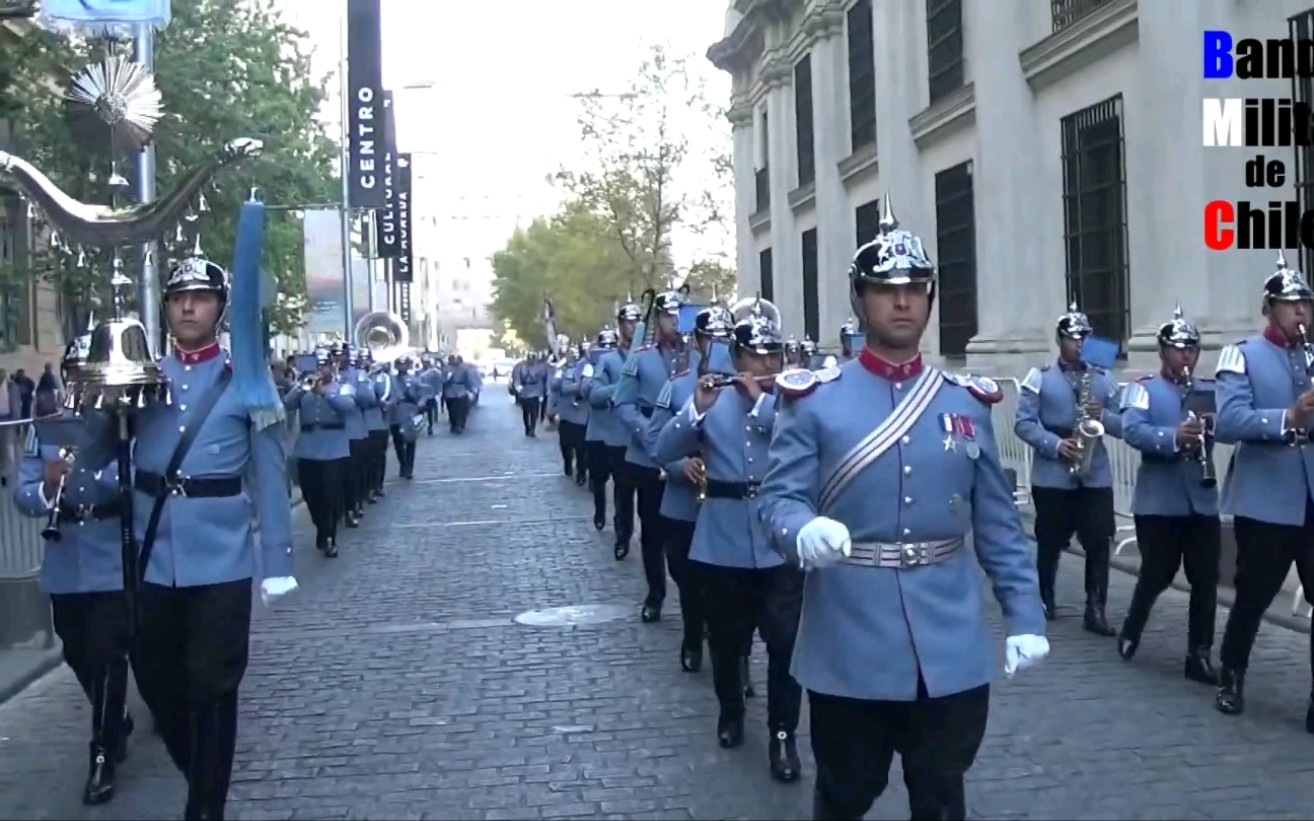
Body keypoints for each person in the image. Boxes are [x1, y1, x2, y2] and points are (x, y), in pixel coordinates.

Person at [755, 197, 1048, 820]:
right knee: (847, 792)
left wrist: (1025, 614)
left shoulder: (963, 400)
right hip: (850, 640)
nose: (903, 301)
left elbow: (996, 524)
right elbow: (778, 500)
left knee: (941, 796)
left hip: (950, 643)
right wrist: (801, 531)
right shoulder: (816, 401)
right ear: (862, 299)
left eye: (915, 288)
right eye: (886, 289)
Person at [78, 254, 299, 819]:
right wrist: (102, 408)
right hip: (152, 556)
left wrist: (276, 561)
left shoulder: (246, 380)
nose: (188, 306)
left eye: (200, 297)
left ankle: (204, 808)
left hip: (221, 559)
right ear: (167, 308)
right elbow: (94, 463)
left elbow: (269, 477)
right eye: (179, 298)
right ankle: (198, 778)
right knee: (157, 685)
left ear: (220, 309)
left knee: (214, 689)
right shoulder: (143, 376)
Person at [655, 298, 801, 782]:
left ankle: (783, 736)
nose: (766, 364)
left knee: (784, 645)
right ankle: (731, 710)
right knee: (726, 639)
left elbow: (791, 440)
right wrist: (696, 409)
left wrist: (762, 398)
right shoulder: (711, 396)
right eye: (756, 356)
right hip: (721, 536)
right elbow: (663, 449)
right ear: (736, 357)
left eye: (773, 355)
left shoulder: (791, 401)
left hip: (777, 536)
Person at [13, 336, 135, 805]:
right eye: (75, 372)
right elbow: (22, 495)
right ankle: (115, 717)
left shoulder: (122, 421)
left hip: (109, 550)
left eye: (90, 372)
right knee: (76, 650)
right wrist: (45, 488)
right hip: (65, 556)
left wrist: (96, 472)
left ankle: (102, 752)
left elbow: (135, 475)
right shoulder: (47, 428)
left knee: (107, 653)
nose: (80, 381)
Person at [1213, 250, 1314, 729]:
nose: (1301, 313)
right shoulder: (1243, 355)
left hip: (1311, 498)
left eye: (1305, 305)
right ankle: (1232, 675)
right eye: (1291, 304)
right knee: (1254, 596)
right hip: (1267, 500)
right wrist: (1288, 419)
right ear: (1269, 308)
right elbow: (1230, 422)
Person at [1116, 306, 1220, 685]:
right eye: (1179, 349)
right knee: (1156, 574)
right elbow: (1133, 431)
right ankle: (1132, 627)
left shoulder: (1207, 390)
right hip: (1159, 501)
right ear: (1163, 352)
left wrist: (1214, 425)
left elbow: (1229, 426)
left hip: (1202, 498)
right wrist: (1173, 438)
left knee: (1205, 579)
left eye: (1192, 348)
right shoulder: (1143, 389)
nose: (1186, 356)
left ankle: (1200, 654)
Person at [1013, 302, 1125, 634]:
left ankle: (1096, 607)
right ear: (1060, 340)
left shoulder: (1104, 379)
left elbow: (1126, 423)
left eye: (1084, 338)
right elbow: (1023, 423)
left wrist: (1102, 415)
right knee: (1050, 539)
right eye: (1073, 338)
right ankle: (1045, 595)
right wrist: (1055, 445)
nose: (1079, 344)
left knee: (1099, 540)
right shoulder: (1041, 378)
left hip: (1095, 471)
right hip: (1054, 470)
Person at [644, 306, 732, 673]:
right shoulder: (678, 385)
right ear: (697, 341)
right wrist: (680, 466)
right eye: (710, 338)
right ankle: (693, 634)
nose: (717, 346)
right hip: (684, 502)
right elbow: (654, 438)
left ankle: (734, 656)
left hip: (729, 506)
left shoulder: (746, 388)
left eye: (725, 338)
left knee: (729, 588)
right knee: (687, 575)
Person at [614, 290, 688, 623]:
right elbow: (623, 403)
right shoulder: (640, 357)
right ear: (656, 319)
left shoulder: (698, 353)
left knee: (686, 536)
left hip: (689, 456)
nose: (674, 320)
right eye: (668, 315)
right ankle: (655, 592)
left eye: (679, 313)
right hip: (647, 457)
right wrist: (648, 434)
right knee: (653, 533)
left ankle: (694, 605)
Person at [283, 347, 355, 557]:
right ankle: (321, 527)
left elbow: (348, 407)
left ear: (331, 367)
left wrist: (325, 393)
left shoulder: (341, 387)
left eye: (323, 365)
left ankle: (329, 535)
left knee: (330, 495)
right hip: (307, 449)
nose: (320, 370)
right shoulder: (304, 388)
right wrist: (300, 387)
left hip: (333, 448)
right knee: (311, 495)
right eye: (317, 366)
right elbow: (287, 404)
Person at [586, 309, 642, 559]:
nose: (634, 326)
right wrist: (619, 387)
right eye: (629, 322)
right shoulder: (608, 361)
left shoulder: (651, 356)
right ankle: (623, 535)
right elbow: (595, 395)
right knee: (622, 490)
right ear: (621, 325)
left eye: (638, 321)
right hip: (617, 437)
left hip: (647, 435)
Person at [389, 356, 421, 479]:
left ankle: (409, 467)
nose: (402, 367)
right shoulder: (392, 380)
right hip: (395, 413)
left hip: (409, 412)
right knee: (398, 442)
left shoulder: (415, 379)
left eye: (404, 364)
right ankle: (403, 464)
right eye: (399, 364)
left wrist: (420, 403)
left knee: (411, 441)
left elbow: (421, 394)